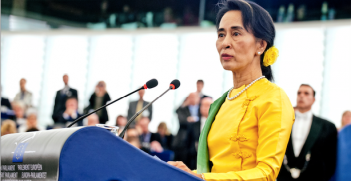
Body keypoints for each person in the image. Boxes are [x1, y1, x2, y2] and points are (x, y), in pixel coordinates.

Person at [168, 1, 295, 180]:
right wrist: (186, 174)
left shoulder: (273, 98)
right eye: (221, 34)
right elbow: (215, 171)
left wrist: (202, 178)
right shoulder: (222, 102)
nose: (225, 43)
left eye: (236, 33)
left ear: (260, 45)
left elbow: (267, 173)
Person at [278, 84, 337, 181]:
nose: (301, 96)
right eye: (299, 93)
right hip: (283, 177)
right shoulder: (282, 121)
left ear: (313, 99)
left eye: (306, 93)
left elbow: (330, 160)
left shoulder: (328, 126)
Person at [172, 92, 201, 166]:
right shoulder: (183, 108)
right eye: (190, 97)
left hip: (195, 142)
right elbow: (181, 120)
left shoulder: (200, 109)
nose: (192, 99)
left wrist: (190, 119)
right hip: (182, 141)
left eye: (194, 97)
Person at [187, 97, 213, 170]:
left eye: (208, 105)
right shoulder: (192, 125)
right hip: (193, 163)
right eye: (203, 105)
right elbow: (187, 144)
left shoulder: (218, 125)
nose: (205, 107)